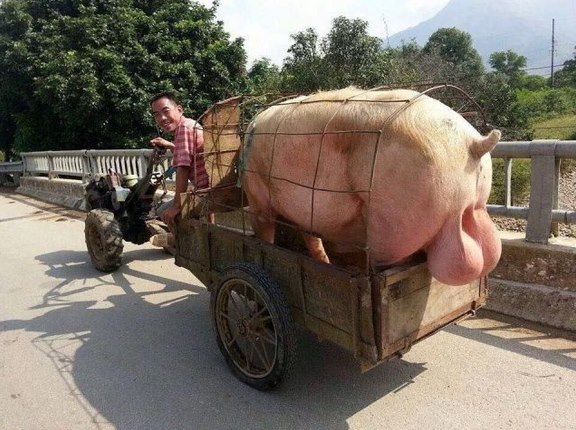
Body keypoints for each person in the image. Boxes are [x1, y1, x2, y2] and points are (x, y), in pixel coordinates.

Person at [149, 91, 211, 247]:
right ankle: (202, 234)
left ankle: (183, 244)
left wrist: (177, 206)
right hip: (211, 186)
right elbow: (189, 151)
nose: (162, 118)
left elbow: (182, 168)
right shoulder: (190, 124)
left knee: (163, 211)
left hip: (205, 192)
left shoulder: (183, 129)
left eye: (166, 111)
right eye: (157, 115)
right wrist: (170, 145)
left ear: (179, 110)